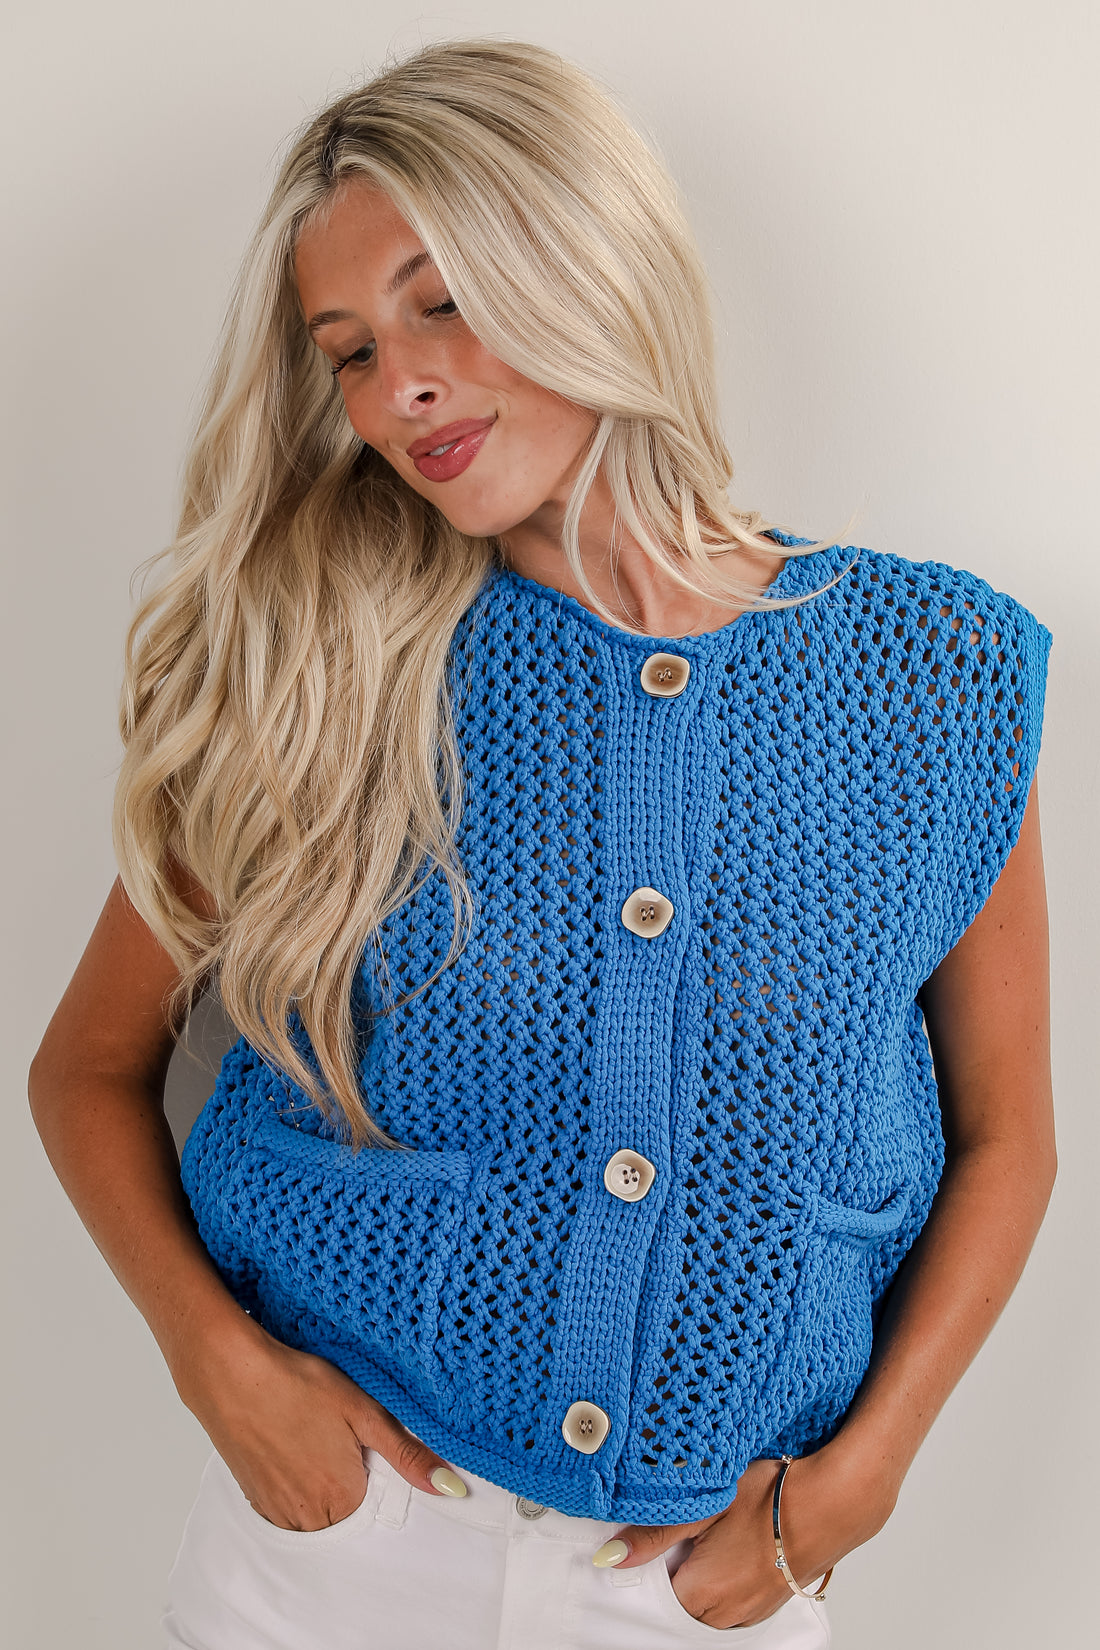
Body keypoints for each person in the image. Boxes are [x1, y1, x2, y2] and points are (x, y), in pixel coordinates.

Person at [28, 37, 1055, 1650]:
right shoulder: (321, 662)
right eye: (350, 351)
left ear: (586, 258)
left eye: (441, 303)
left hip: (702, 1578)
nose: (398, 388)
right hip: (338, 1555)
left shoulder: (931, 672)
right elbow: (84, 1070)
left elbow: (1008, 1138)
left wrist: (858, 1485)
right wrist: (218, 1370)